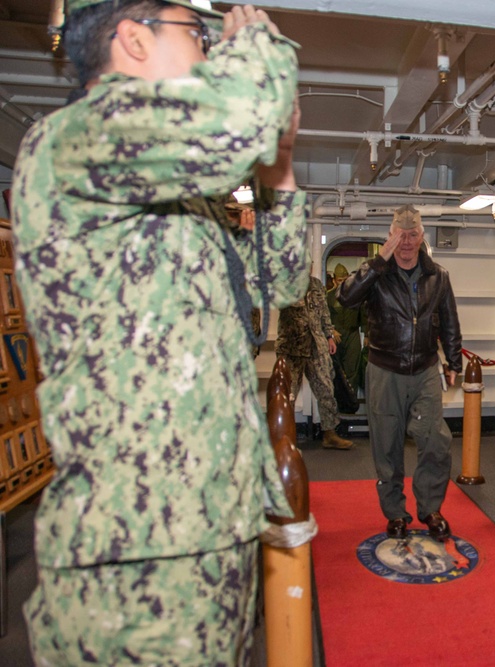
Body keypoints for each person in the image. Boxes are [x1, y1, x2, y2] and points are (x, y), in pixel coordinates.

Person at [11, 3, 305, 663]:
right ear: (134, 40)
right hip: (137, 550)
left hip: (209, 525)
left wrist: (279, 164)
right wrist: (254, 41)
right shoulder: (76, 136)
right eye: (196, 33)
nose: (209, 46)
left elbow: (280, 285)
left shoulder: (182, 194)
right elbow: (238, 118)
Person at [338, 205, 462, 541]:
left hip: (424, 368)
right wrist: (377, 264)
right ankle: (395, 513)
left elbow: (449, 321)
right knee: (387, 444)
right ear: (390, 236)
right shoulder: (376, 272)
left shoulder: (438, 276)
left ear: (422, 236)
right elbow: (346, 297)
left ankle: (430, 509)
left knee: (435, 440)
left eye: (412, 234)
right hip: (385, 369)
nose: (406, 242)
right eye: (400, 234)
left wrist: (453, 361)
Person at [276, 269, 353, 449]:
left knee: (326, 388)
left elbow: (324, 313)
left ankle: (329, 433)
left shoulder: (317, 285)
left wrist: (329, 335)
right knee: (288, 393)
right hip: (291, 347)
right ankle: (285, 436)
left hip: (316, 346)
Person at [328, 263, 366, 393]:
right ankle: (338, 404)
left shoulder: (356, 296)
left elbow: (364, 315)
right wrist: (331, 331)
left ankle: (351, 403)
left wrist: (367, 335)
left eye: (345, 280)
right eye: (340, 280)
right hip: (335, 337)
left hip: (352, 334)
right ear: (334, 280)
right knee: (336, 371)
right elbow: (323, 317)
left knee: (352, 371)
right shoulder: (328, 297)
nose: (342, 283)